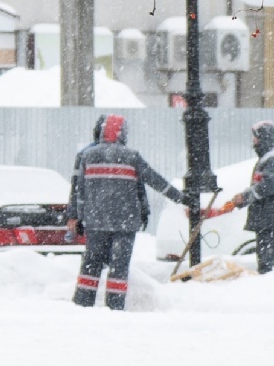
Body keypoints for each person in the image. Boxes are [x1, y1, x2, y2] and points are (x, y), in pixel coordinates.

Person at [67, 113, 186, 310]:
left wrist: (78, 216)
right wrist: (181, 198)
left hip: (95, 222)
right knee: (119, 267)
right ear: (123, 134)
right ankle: (115, 305)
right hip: (125, 222)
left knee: (91, 264)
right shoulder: (131, 157)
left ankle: (82, 303)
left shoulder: (88, 156)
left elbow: (80, 191)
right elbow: (153, 181)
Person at [214, 120, 274, 273]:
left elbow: (267, 186)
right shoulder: (269, 158)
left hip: (273, 221)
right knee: (267, 261)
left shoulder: (273, 160)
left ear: (265, 138)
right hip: (270, 220)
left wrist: (245, 196)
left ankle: (271, 288)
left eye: (256, 138)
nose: (254, 142)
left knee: (270, 264)